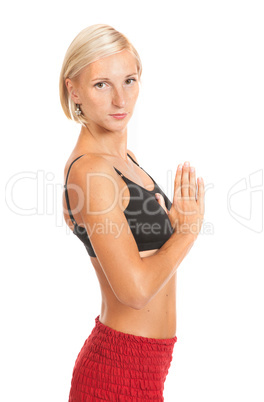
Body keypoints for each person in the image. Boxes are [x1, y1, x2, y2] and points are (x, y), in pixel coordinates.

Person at [59, 23, 205, 402]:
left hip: (149, 367)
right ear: (73, 89)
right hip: (116, 373)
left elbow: (146, 260)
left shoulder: (127, 162)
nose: (121, 100)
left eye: (129, 80)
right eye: (101, 85)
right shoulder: (91, 171)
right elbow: (136, 291)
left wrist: (173, 229)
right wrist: (187, 233)